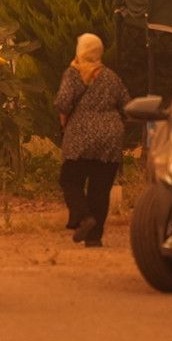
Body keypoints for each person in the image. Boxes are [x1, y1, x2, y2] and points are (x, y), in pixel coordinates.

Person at [54, 32, 130, 247]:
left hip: (80, 137)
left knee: (70, 180)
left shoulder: (73, 73)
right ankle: (94, 238)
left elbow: (63, 103)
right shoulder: (111, 76)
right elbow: (127, 104)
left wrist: (64, 124)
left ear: (80, 50)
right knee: (100, 188)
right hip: (110, 139)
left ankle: (83, 217)